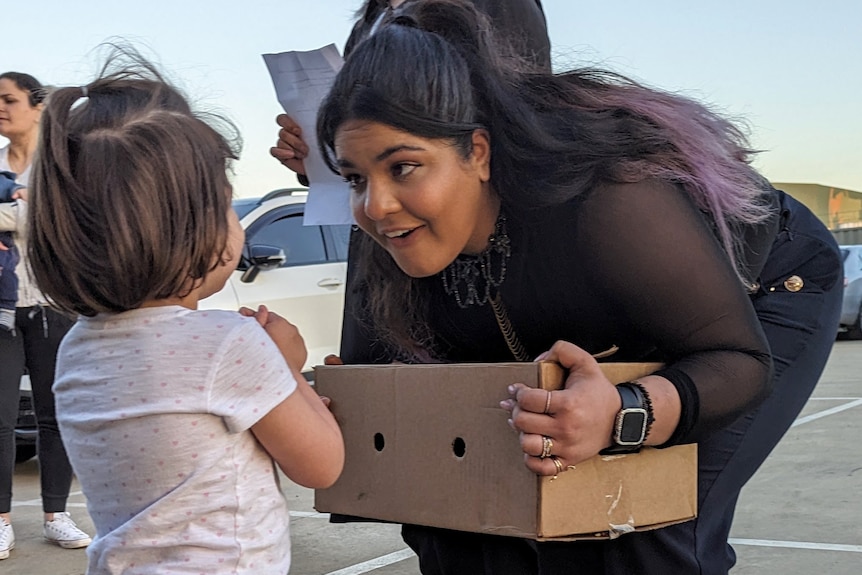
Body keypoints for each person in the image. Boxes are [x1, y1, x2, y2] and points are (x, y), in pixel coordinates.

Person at [314, 1, 844, 574]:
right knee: (459, 525)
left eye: (404, 167)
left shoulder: (610, 197)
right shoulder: (386, 229)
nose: (376, 205)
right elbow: (377, 414)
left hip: (756, 293)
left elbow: (736, 359)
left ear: (479, 151)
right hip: (585, 295)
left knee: (637, 523)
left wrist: (623, 411)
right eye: (354, 177)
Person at [25, 53, 345, 573]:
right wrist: (287, 366)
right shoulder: (227, 344)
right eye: (225, 200)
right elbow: (322, 464)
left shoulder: (76, 348)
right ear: (195, 226)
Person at [270, 0, 551, 180]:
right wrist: (322, 162)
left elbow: (529, 124)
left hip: (477, 237)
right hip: (383, 248)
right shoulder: (367, 25)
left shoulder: (499, 5)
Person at [0, 71, 92, 560]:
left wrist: (18, 211)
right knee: (1, 418)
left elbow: (69, 219)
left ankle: (57, 515)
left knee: (56, 416)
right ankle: (1, 521)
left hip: (56, 303)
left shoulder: (59, 167)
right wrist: (24, 211)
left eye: (8, 98)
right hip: (3, 309)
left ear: (37, 107)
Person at [0, 171, 23, 332]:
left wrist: (19, 190)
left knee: (6, 272)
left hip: (3, 245)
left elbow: (9, 188)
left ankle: (7, 308)